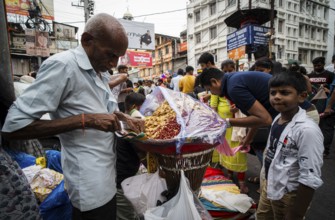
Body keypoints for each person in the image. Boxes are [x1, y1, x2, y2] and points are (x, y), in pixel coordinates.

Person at [2, 13, 144, 220]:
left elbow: (99, 107)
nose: (114, 63)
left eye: (118, 57)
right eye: (110, 55)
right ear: (87, 41)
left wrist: (123, 117)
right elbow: (13, 127)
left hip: (107, 176)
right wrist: (86, 120)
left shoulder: (99, 70)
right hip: (88, 184)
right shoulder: (63, 66)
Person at [257, 71, 324, 220]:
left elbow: (310, 177)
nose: (277, 97)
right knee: (262, 216)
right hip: (270, 185)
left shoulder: (307, 130)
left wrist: (296, 213)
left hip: (288, 193)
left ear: (302, 96)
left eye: (285, 92)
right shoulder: (277, 119)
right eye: (273, 93)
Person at [116, 92, 146, 220]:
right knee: (127, 214)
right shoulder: (133, 123)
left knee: (133, 211)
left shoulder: (126, 122)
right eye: (142, 107)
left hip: (126, 177)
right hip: (122, 181)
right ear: (135, 107)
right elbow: (142, 151)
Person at [308, 56, 335, 158]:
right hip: (313, 105)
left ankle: (325, 150)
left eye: (318, 65)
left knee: (326, 128)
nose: (316, 67)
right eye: (314, 65)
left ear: (323, 64)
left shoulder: (330, 75)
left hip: (326, 105)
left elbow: (333, 90)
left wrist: (328, 91)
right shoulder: (309, 75)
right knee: (314, 127)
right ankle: (314, 147)